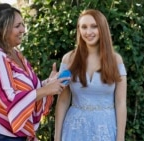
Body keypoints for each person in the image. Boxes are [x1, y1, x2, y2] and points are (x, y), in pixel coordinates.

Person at [0, 3, 69, 141]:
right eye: (17, 26)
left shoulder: (17, 56)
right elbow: (10, 99)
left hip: (9, 135)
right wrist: (46, 90)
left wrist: (50, 83)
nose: (23, 30)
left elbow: (28, 91)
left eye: (23, 25)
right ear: (2, 29)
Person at [54, 9, 127, 141]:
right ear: (79, 30)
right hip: (74, 130)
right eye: (84, 27)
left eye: (94, 26)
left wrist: (120, 138)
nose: (88, 32)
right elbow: (63, 100)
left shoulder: (116, 60)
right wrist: (57, 137)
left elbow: (121, 102)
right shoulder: (69, 59)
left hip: (105, 129)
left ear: (102, 29)